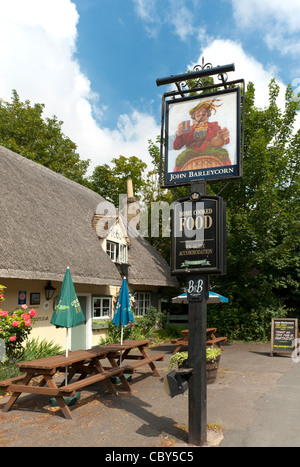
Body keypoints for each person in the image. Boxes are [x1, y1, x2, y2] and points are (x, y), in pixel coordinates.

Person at [172, 99, 231, 172]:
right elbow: (176, 146)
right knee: (180, 158)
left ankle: (228, 172)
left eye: (203, 112)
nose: (200, 113)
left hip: (210, 149)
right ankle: (175, 179)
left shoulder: (213, 126)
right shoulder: (187, 127)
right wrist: (179, 134)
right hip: (192, 151)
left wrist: (224, 136)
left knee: (223, 153)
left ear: (207, 114)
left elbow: (225, 140)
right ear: (193, 115)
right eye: (198, 111)